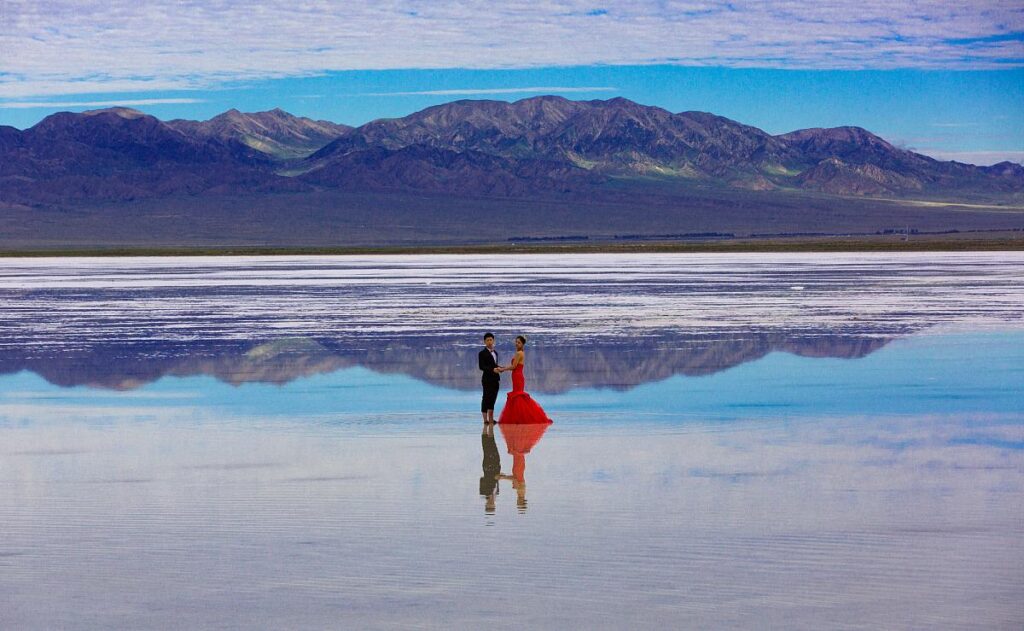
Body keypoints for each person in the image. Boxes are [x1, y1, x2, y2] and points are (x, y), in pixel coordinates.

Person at [496, 335, 552, 425]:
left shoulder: (519, 353)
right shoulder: (520, 352)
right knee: (517, 396)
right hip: (516, 376)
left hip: (518, 376)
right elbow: (514, 366)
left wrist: (502, 369)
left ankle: (520, 418)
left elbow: (513, 367)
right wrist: (503, 368)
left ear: (522, 344)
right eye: (516, 342)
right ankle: (518, 418)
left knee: (518, 396)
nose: (516, 344)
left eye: (519, 342)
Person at [478, 332, 501, 423]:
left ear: (493, 340)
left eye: (491, 340)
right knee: (486, 398)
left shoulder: (495, 352)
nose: (489, 342)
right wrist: (493, 370)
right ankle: (485, 419)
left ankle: (491, 418)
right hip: (487, 379)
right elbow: (481, 367)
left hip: (495, 379)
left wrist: (500, 368)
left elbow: (494, 365)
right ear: (484, 342)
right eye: (487, 340)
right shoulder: (482, 353)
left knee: (493, 398)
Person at [480, 422, 501, 514]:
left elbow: (482, 479)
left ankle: (486, 426)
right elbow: (498, 479)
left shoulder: (483, 492)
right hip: (496, 466)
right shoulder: (497, 493)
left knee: (486, 446)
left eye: (489, 504)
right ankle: (490, 426)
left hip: (488, 467)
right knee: (492, 444)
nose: (491, 502)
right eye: (492, 504)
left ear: (486, 504)